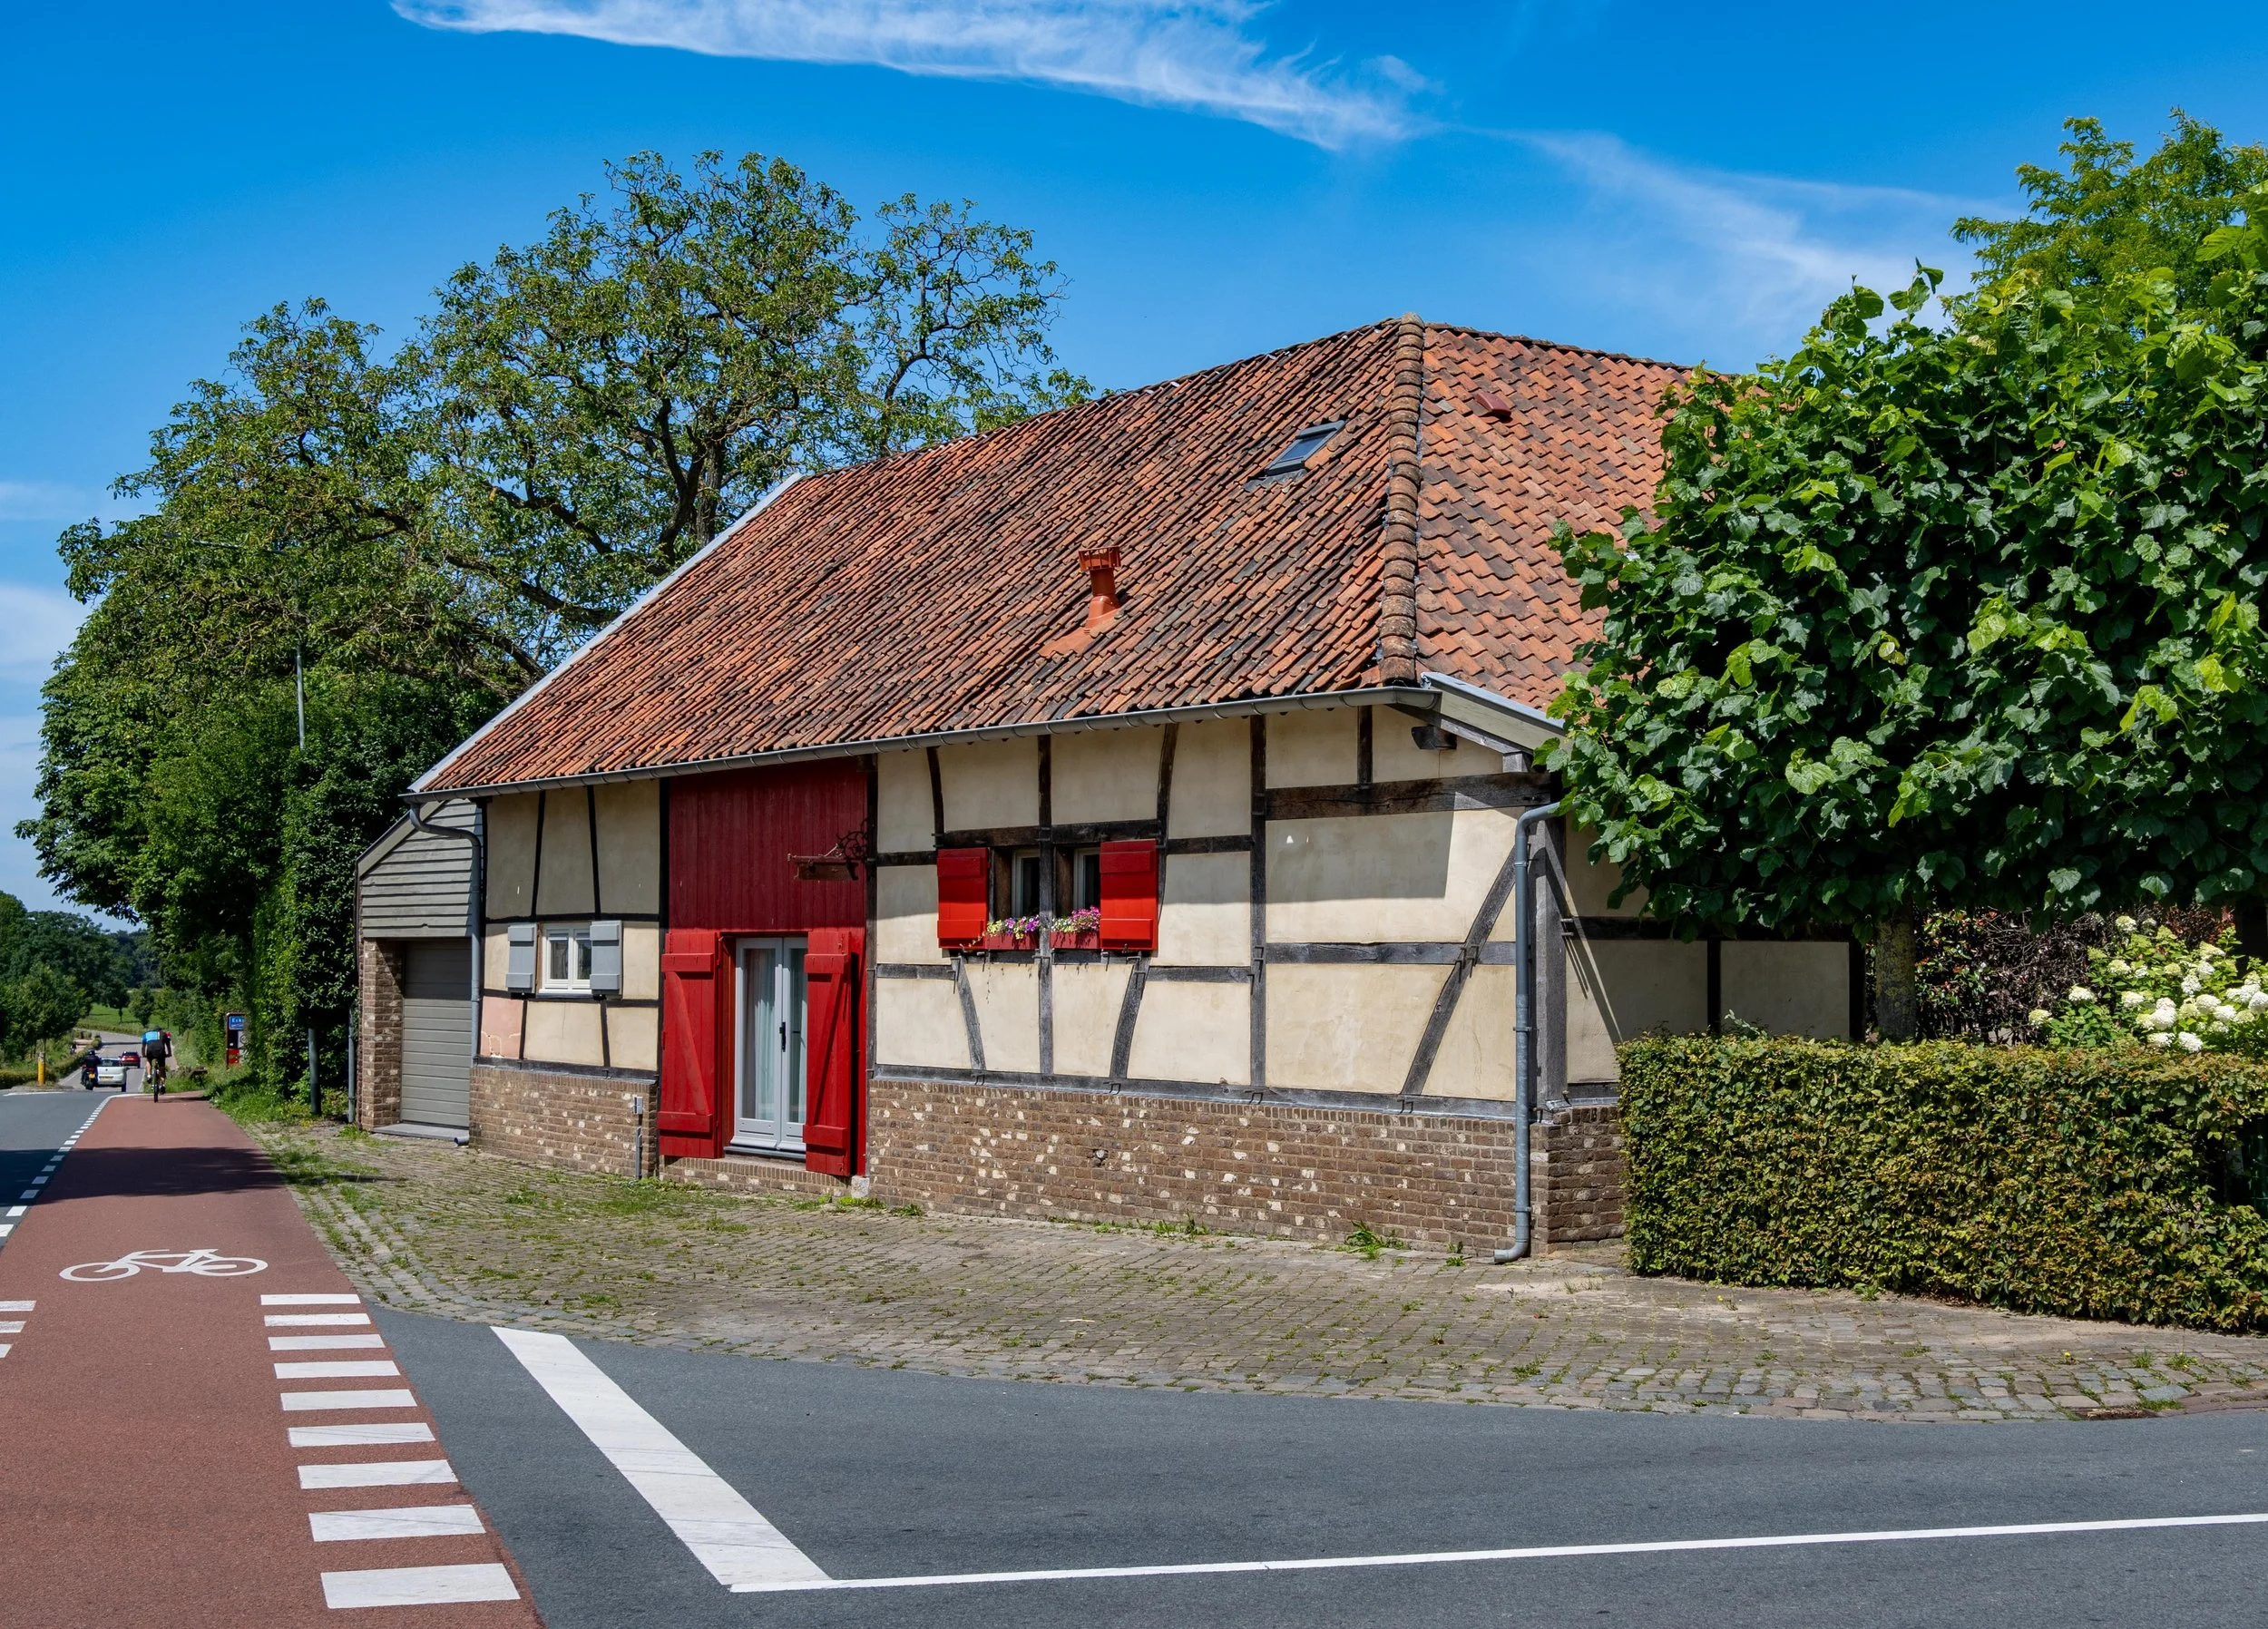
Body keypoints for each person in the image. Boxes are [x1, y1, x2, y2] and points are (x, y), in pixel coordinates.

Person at [142, 1029, 171, 1096]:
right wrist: (169, 1053)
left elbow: (143, 1047)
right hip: (160, 1051)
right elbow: (168, 1045)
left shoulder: (146, 1034)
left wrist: (143, 1054)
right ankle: (162, 1085)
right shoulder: (163, 1034)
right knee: (162, 1068)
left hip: (150, 1050)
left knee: (149, 1060)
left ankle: (149, 1075)